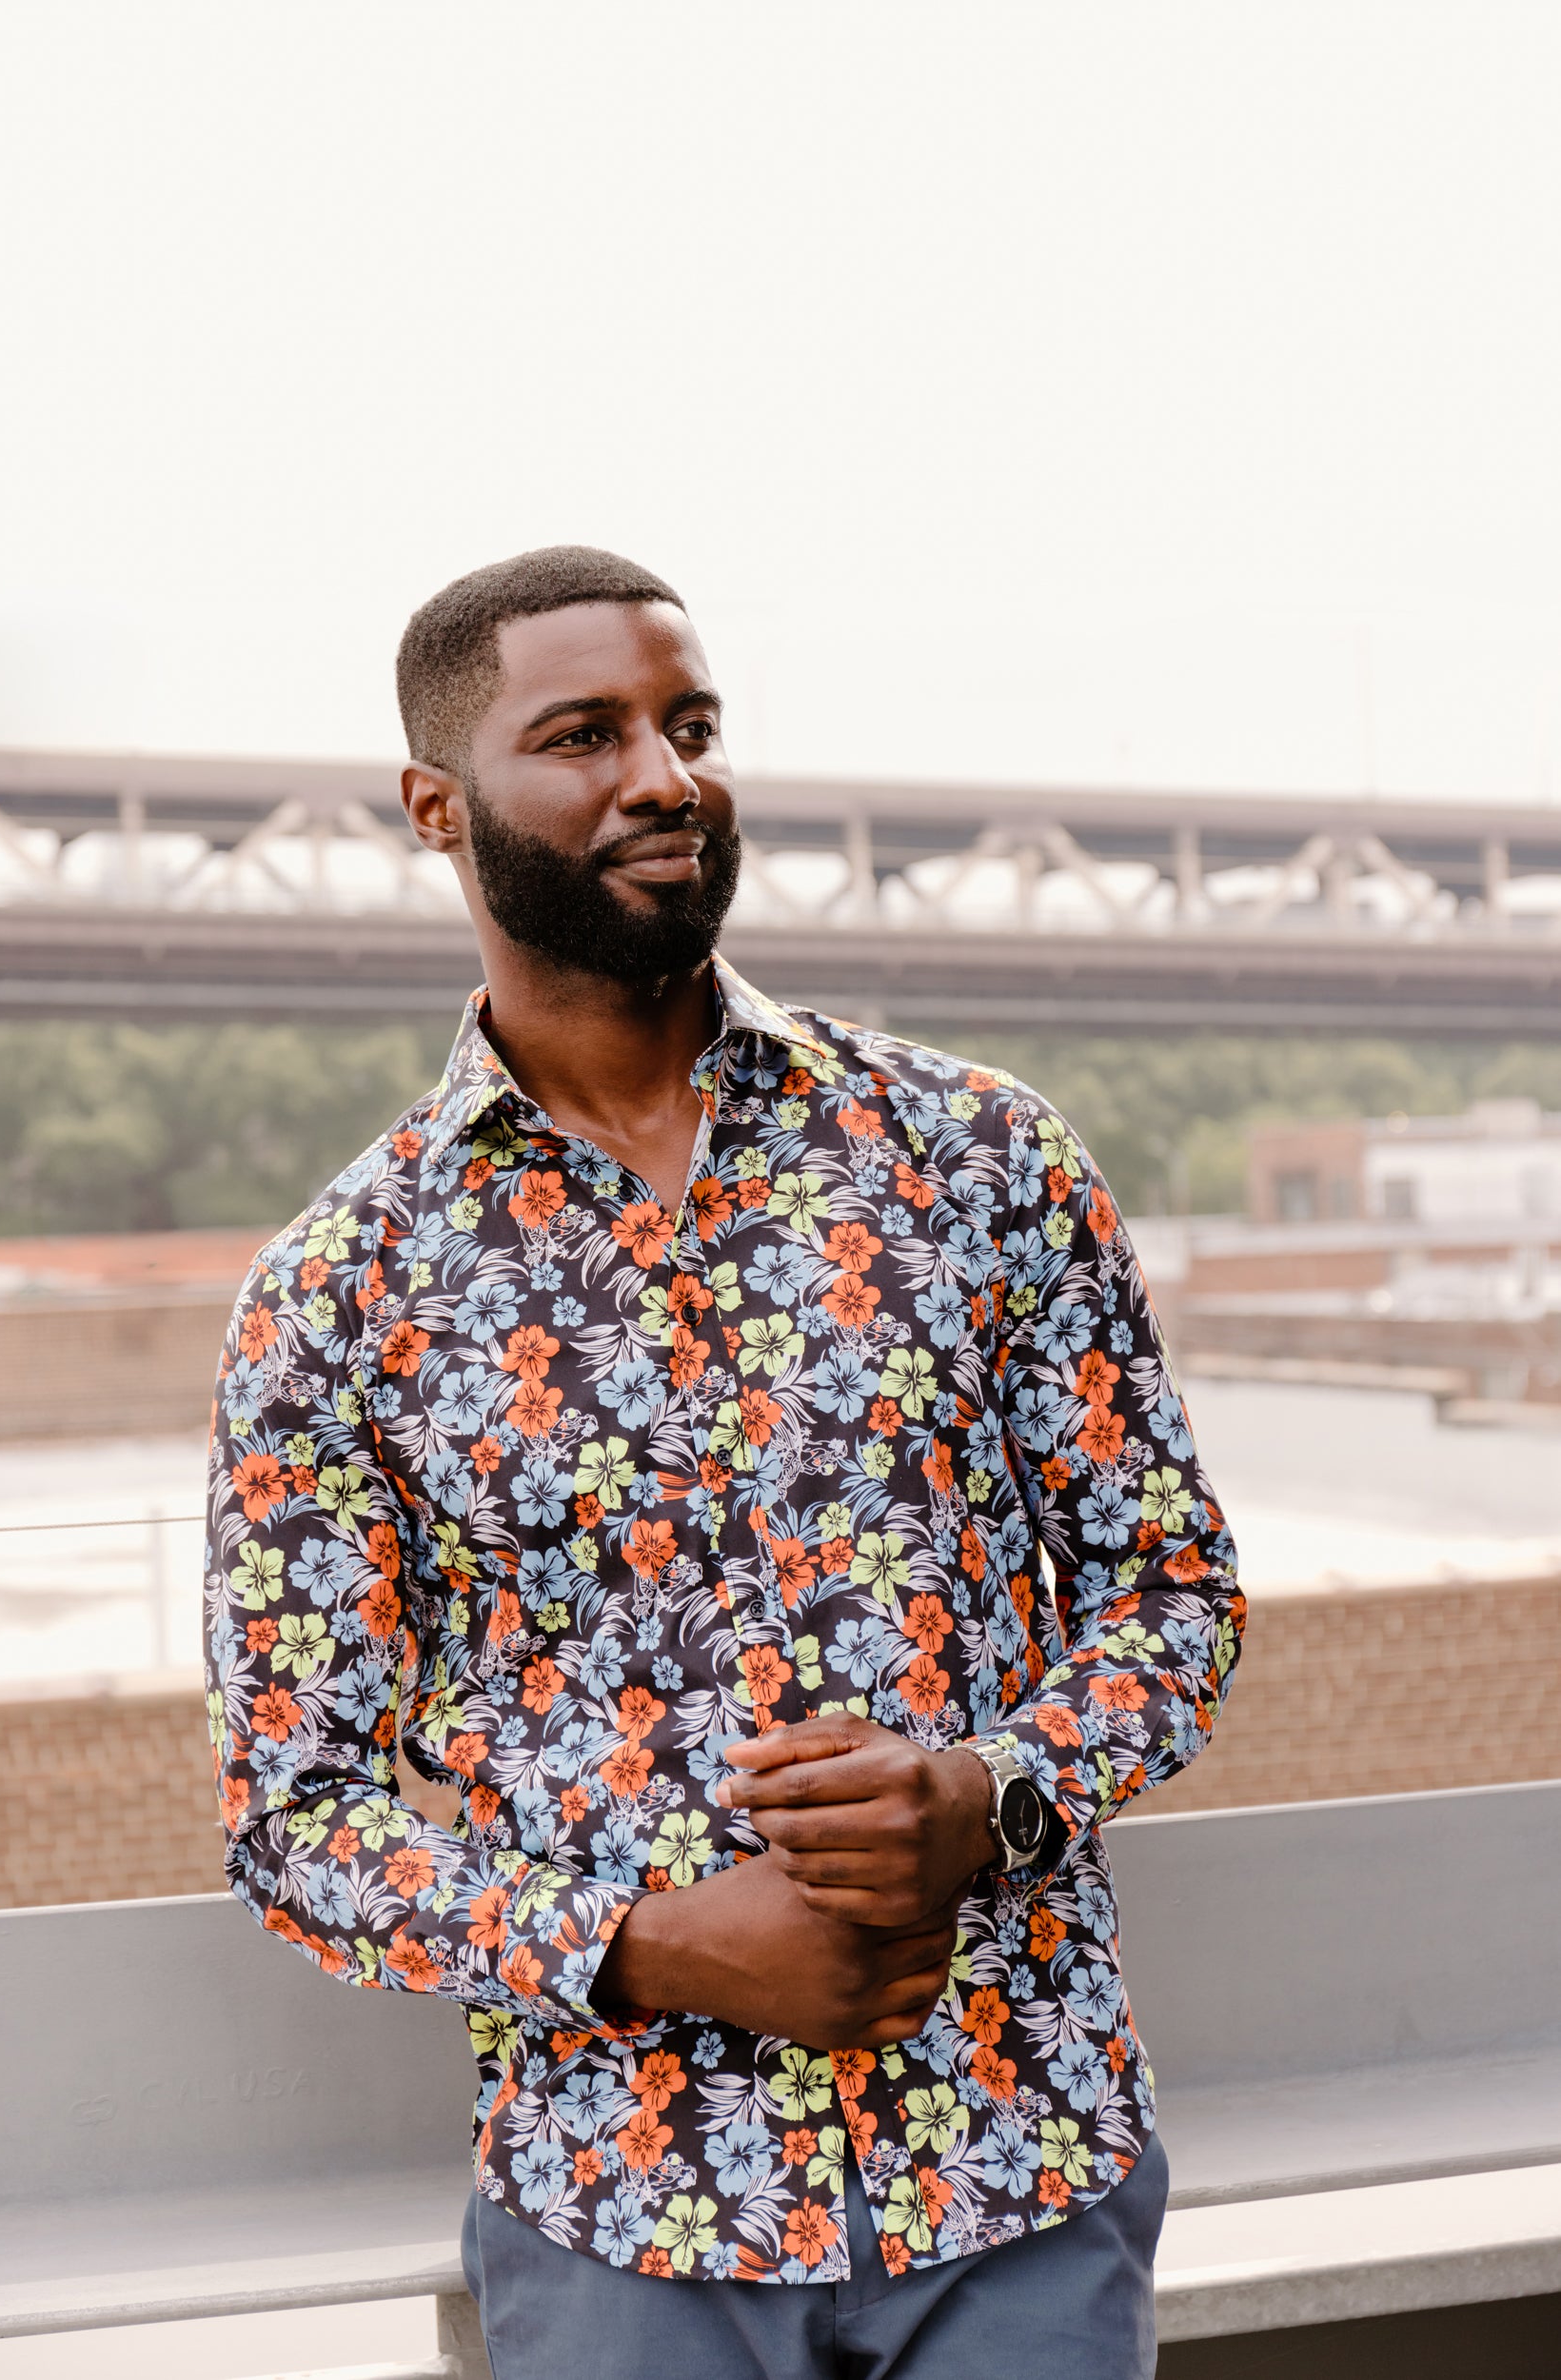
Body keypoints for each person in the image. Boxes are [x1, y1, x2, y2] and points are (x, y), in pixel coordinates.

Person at [204, 545, 1243, 2379]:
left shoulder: (977, 1156)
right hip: (618, 2213)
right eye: (585, 734)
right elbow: (298, 1815)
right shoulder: (338, 1291)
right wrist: (649, 1948)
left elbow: (1172, 1594)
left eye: (688, 726)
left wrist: (986, 1796)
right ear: (439, 808)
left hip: (1019, 2164)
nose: (664, 778)